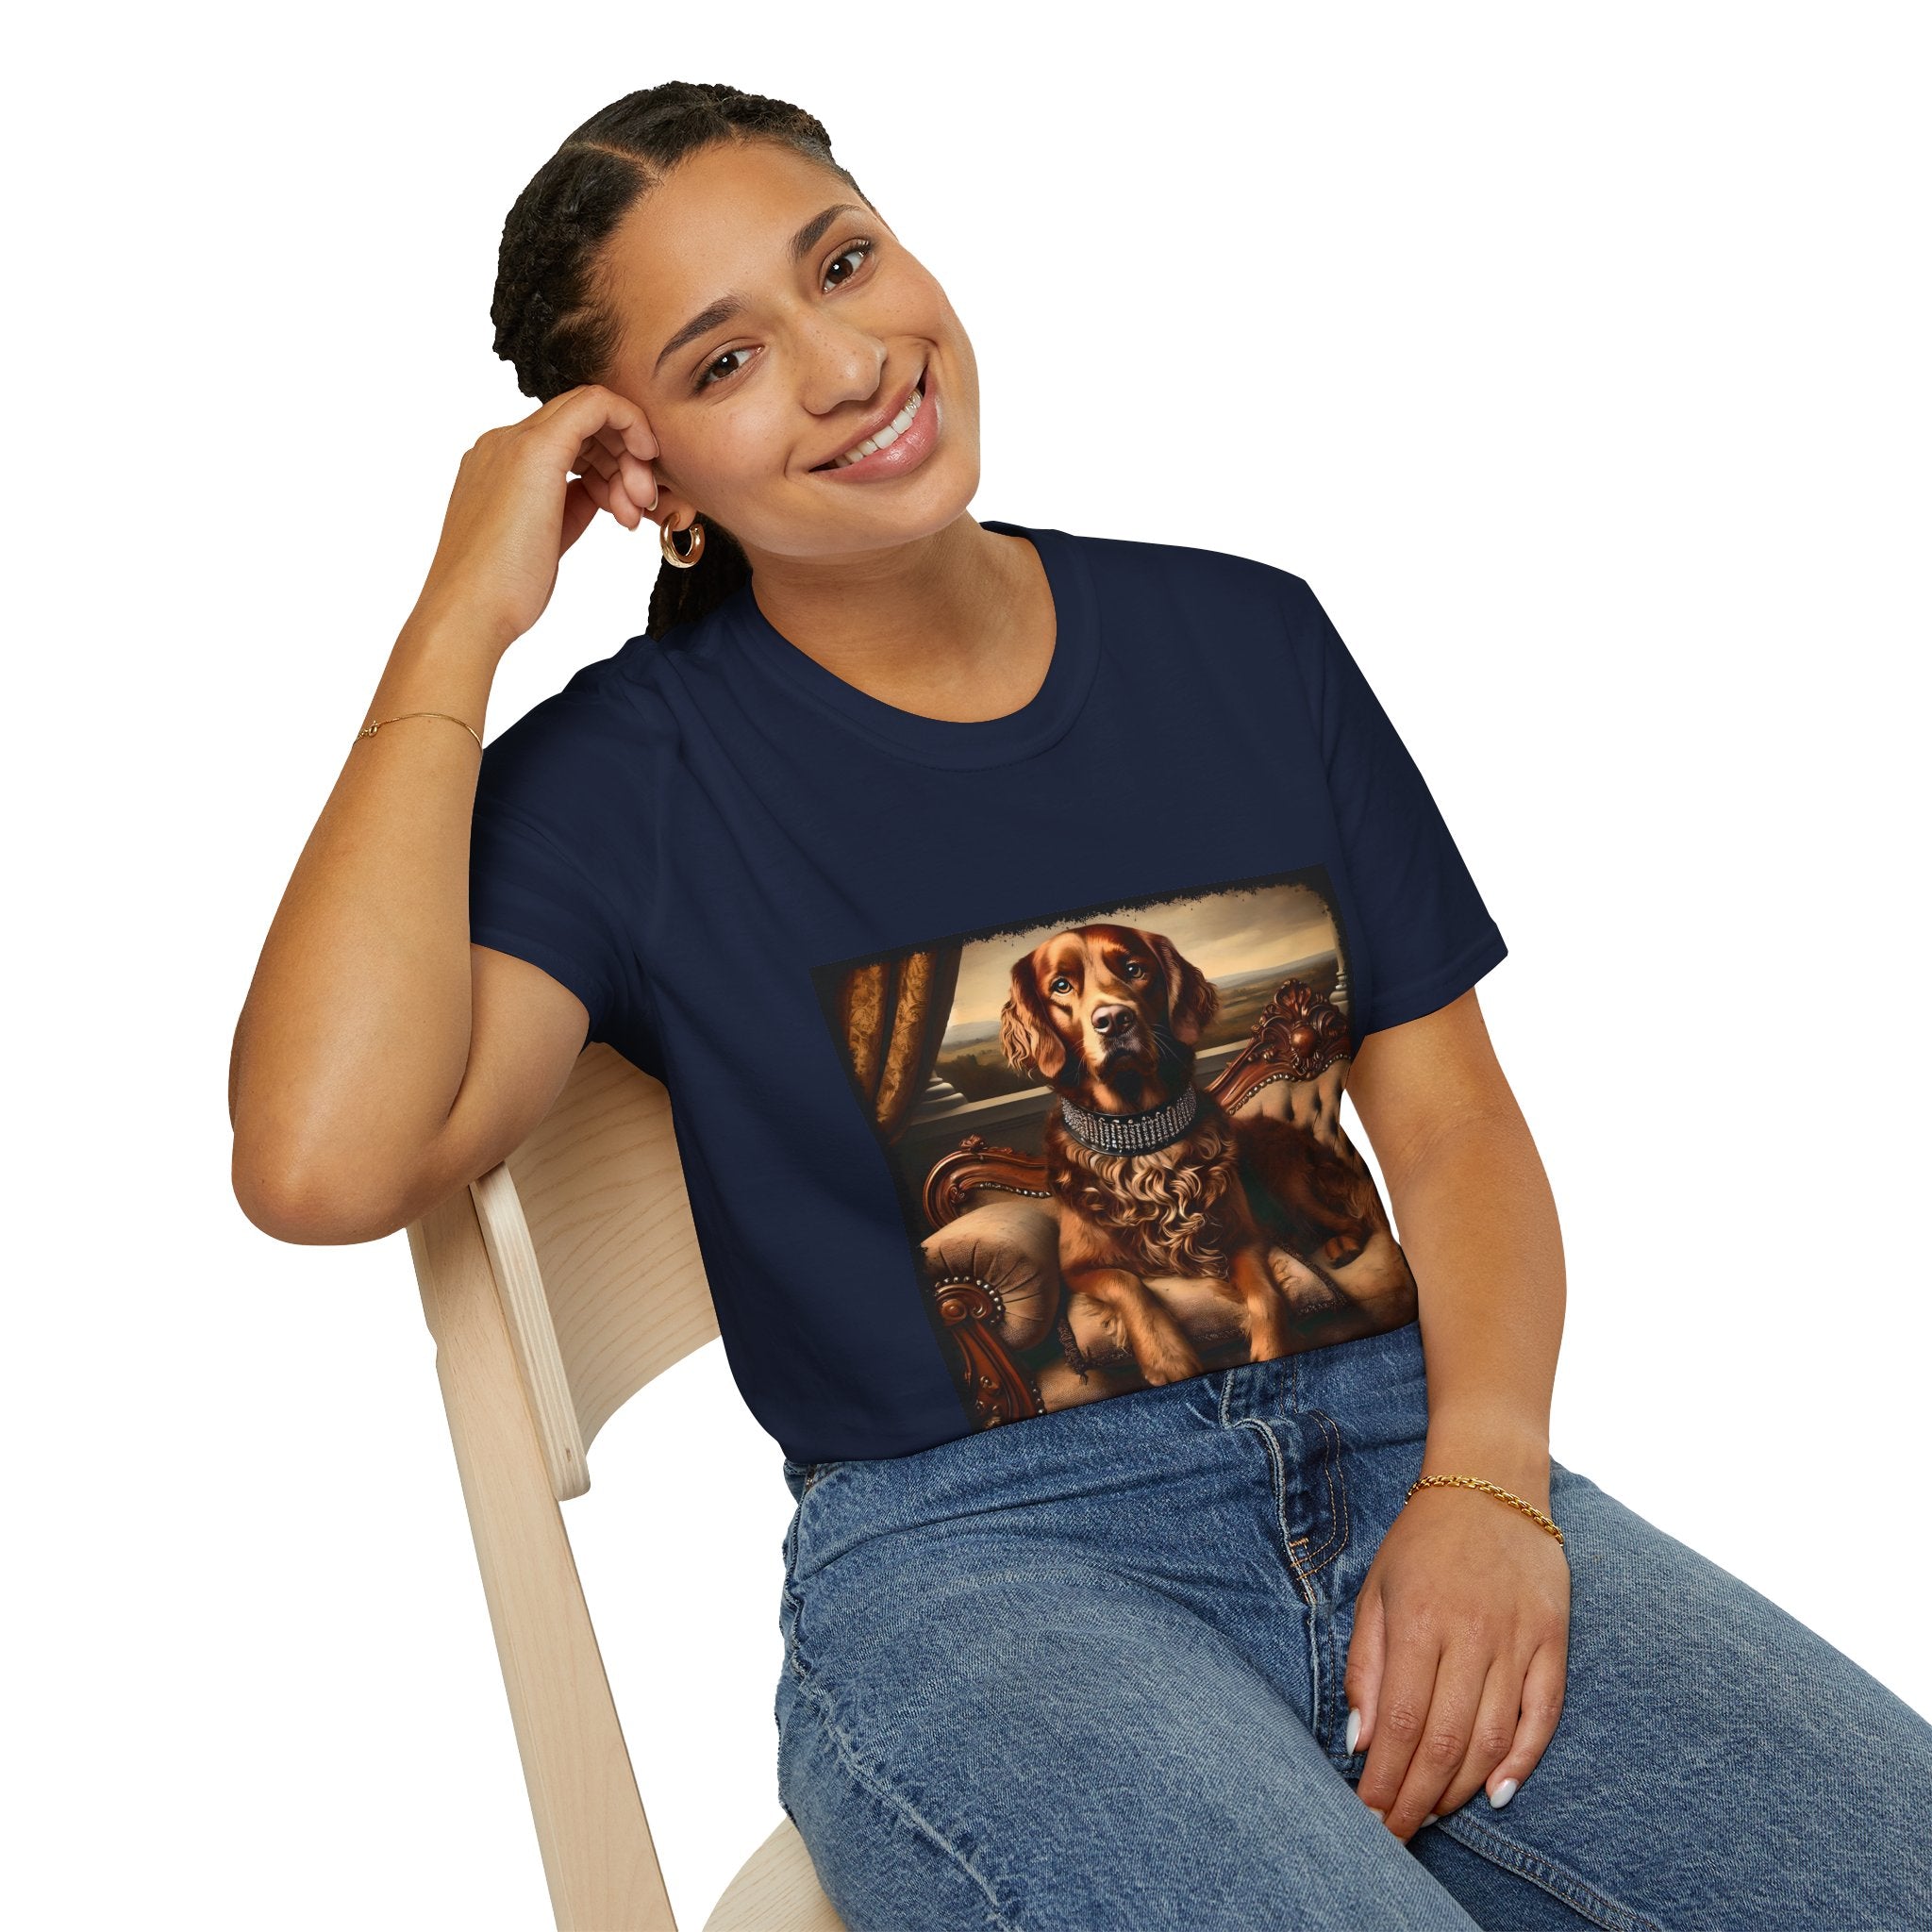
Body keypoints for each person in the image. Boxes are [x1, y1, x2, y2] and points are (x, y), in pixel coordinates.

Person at [228, 80, 1932, 1932]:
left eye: (844, 263)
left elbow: (1449, 1129)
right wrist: (456, 620)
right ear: (650, 482)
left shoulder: (1243, 641)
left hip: (1403, 1451)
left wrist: (1490, 1486)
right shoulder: (631, 777)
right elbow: (321, 1158)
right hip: (986, 1569)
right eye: (724, 363)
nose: (844, 361)